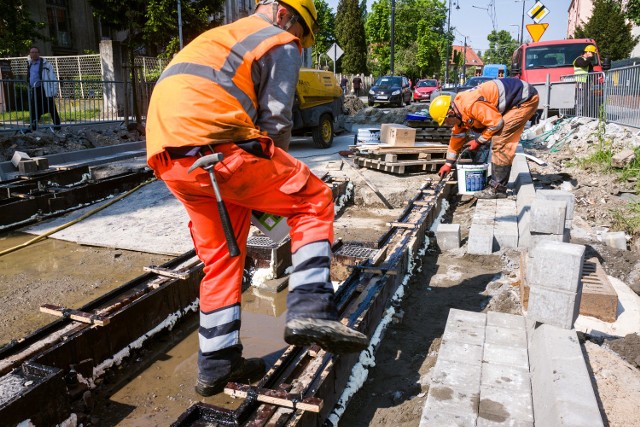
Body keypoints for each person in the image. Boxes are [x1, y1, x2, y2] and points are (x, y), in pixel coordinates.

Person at [145, 0, 368, 398]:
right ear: (285, 14)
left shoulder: (218, 38)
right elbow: (277, 120)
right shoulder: (278, 40)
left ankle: (216, 363)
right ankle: (312, 309)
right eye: (301, 31)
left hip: (172, 160)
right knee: (312, 199)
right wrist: (277, 178)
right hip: (222, 146)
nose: (299, 42)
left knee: (222, 259)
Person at [429, 78, 539, 199]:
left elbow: (496, 123)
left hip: (524, 100)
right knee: (493, 136)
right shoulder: (459, 111)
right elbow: (456, 138)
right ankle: (496, 180)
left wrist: (478, 141)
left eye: (445, 121)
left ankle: (498, 189)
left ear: (450, 112)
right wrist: (448, 164)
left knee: (501, 140)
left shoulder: (470, 106)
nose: (446, 125)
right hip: (516, 99)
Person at [27, 47, 61, 131]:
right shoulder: (29, 63)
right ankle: (33, 126)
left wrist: (53, 90)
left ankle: (57, 126)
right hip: (35, 89)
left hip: (45, 89)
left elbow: (53, 77)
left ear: (39, 53)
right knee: (34, 108)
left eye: (35, 52)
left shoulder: (46, 64)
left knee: (51, 107)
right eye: (32, 52)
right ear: (30, 54)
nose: (34, 54)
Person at [573, 44, 597, 116]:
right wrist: (589, 58)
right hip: (580, 83)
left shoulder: (587, 61)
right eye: (592, 53)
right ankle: (579, 116)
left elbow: (591, 70)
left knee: (586, 100)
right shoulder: (579, 59)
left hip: (586, 83)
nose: (592, 55)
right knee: (580, 100)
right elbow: (583, 64)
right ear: (588, 52)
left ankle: (585, 115)